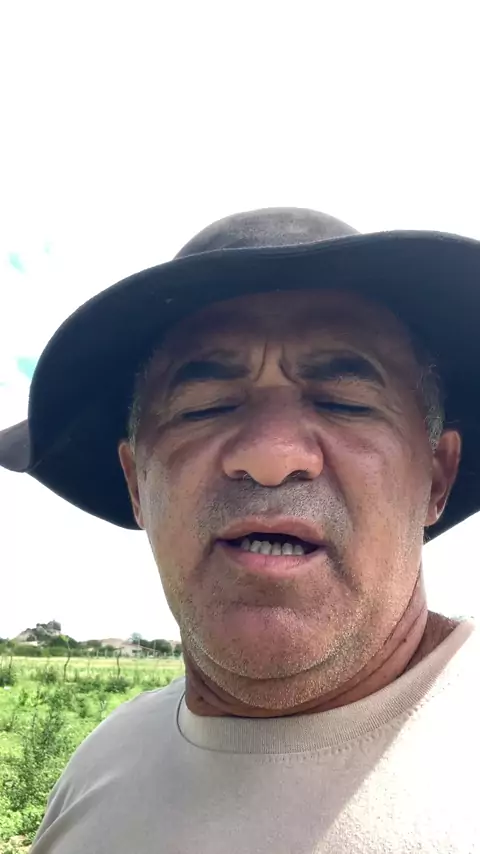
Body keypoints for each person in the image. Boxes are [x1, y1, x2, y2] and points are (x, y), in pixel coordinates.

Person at [1, 208, 479, 853]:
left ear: (436, 477)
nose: (270, 456)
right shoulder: (103, 763)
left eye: (343, 401)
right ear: (137, 484)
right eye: (207, 406)